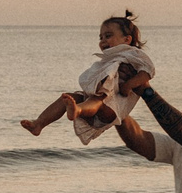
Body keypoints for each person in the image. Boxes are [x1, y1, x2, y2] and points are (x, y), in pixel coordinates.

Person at [21, 12, 156, 143]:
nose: (103, 41)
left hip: (112, 108)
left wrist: (129, 85)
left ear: (127, 39)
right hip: (93, 105)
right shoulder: (108, 59)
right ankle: (39, 124)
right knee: (68, 97)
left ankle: (78, 110)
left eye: (108, 36)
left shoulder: (133, 54)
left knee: (97, 99)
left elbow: (148, 70)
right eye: (100, 37)